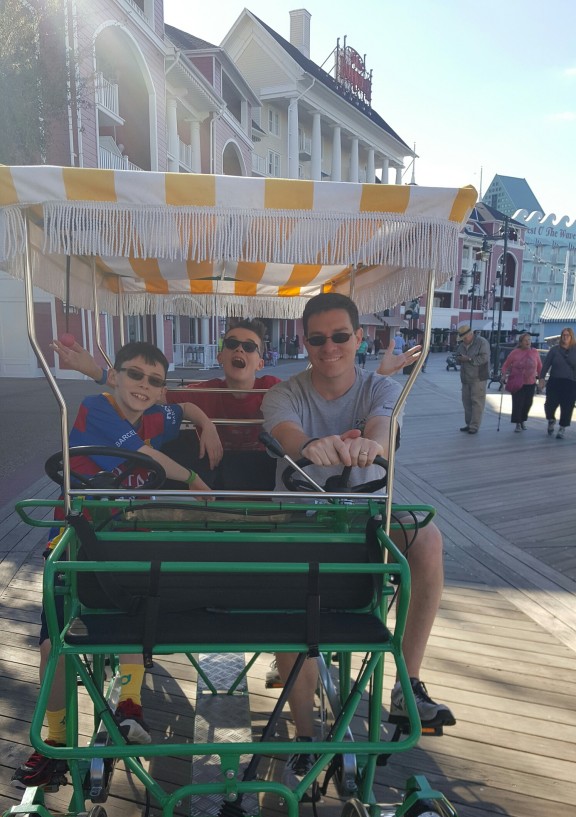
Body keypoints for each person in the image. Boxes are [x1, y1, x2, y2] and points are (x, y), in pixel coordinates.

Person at [262, 292, 451, 791]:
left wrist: (371, 443)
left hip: (363, 516)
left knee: (427, 538)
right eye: (319, 338)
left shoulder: (379, 388)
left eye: (340, 336)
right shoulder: (284, 394)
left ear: (359, 337)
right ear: (304, 341)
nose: (330, 347)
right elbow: (285, 434)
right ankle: (306, 739)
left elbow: (381, 428)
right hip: (300, 520)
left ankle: (406, 683)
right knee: (289, 602)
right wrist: (308, 446)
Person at [14, 343, 219, 787]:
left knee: (136, 610)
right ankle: (55, 740)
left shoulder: (155, 413)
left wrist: (204, 421)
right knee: (55, 645)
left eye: (154, 380)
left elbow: (180, 406)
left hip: (126, 543)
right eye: (135, 375)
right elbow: (146, 457)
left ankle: (130, 703)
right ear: (115, 377)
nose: (144, 386)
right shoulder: (96, 409)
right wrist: (191, 478)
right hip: (77, 541)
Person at [52, 320, 281, 490]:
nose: (240, 349)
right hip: (95, 507)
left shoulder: (275, 390)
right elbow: (158, 396)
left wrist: (205, 424)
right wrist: (96, 372)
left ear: (261, 362)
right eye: (232, 344)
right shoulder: (98, 408)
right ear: (220, 356)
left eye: (249, 347)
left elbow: (300, 403)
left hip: (259, 474)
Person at [538, 327, 576, 439]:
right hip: (555, 380)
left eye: (567, 335)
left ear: (571, 337)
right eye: (563, 335)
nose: (565, 337)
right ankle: (551, 419)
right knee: (549, 404)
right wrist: (541, 378)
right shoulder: (554, 350)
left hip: (570, 382)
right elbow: (546, 364)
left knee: (567, 406)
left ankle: (562, 427)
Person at [501, 333, 542, 432]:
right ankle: (518, 423)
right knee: (518, 403)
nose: (528, 342)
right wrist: (503, 374)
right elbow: (506, 364)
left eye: (529, 340)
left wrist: (541, 378)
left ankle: (523, 419)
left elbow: (539, 366)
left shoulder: (534, 352)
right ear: (521, 342)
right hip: (517, 382)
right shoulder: (515, 352)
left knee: (528, 403)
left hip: (531, 382)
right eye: (525, 340)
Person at [454, 323, 490, 434]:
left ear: (471, 334)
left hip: (478, 377)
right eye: (462, 338)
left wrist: (469, 359)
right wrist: (458, 359)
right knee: (467, 402)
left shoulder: (482, 342)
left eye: (465, 338)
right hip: (465, 378)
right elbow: (458, 356)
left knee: (477, 402)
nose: (464, 340)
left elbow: (484, 358)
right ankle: (468, 424)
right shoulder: (462, 345)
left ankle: (474, 426)